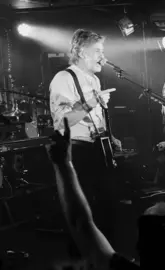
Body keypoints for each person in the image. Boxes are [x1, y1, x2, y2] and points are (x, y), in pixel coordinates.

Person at [49, 29, 121, 245]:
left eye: (103, 50)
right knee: (83, 208)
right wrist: (91, 102)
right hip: (78, 152)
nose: (103, 56)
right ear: (81, 52)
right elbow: (62, 123)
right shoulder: (64, 78)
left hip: (98, 150)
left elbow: (94, 117)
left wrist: (110, 135)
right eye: (97, 50)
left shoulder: (94, 80)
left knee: (106, 207)